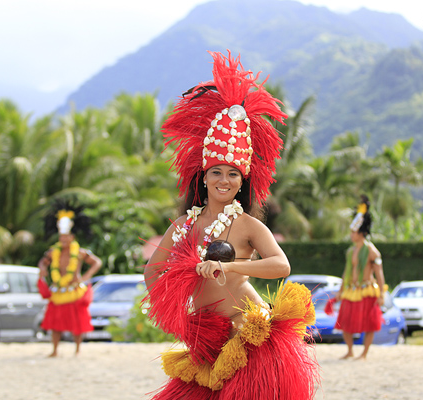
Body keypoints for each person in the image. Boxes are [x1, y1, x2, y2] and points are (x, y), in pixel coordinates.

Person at [143, 51, 319, 399]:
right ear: (204, 178)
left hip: (248, 334)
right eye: (217, 173)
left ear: (242, 182)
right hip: (206, 337)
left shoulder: (247, 225)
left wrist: (230, 265)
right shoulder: (183, 225)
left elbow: (281, 265)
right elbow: (152, 271)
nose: (224, 180)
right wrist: (174, 310)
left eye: (233, 174)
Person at [37, 200, 102, 357]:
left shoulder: (79, 252)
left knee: (77, 323)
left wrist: (86, 277)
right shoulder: (53, 252)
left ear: (72, 237)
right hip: (58, 290)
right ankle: (54, 350)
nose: (63, 240)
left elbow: (97, 262)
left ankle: (78, 350)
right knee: (54, 324)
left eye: (66, 237)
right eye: (61, 237)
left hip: (74, 290)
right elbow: (42, 262)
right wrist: (42, 270)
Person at [334, 195, 385, 360]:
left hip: (367, 290)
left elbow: (379, 273)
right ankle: (350, 350)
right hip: (351, 289)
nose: (351, 234)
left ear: (361, 232)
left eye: (353, 231)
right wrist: (340, 290)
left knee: (369, 323)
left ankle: (364, 353)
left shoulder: (372, 251)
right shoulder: (350, 251)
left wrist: (382, 294)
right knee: (345, 322)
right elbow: (345, 272)